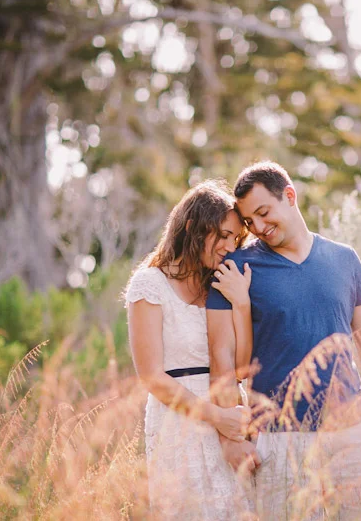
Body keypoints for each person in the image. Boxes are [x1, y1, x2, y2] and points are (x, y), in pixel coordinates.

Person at [206, 161, 361, 520]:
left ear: (290, 196)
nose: (259, 228)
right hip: (281, 441)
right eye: (250, 222)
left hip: (355, 432)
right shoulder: (237, 268)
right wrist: (229, 439)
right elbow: (222, 357)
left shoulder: (344, 259)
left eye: (264, 213)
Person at [125, 179, 257, 519]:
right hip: (178, 422)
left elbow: (240, 364)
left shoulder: (220, 283)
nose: (230, 246)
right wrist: (218, 420)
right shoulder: (150, 284)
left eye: (236, 238)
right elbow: (152, 376)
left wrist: (241, 302)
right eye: (222, 235)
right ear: (192, 227)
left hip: (229, 410)